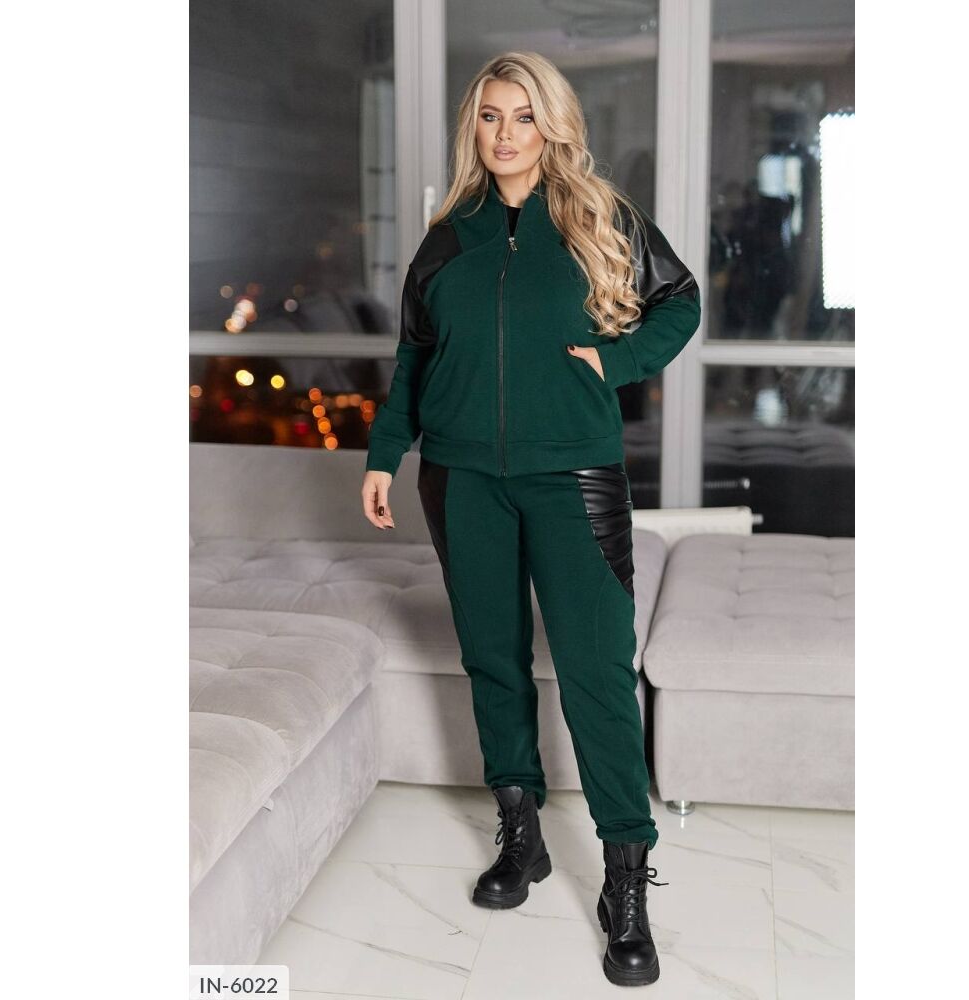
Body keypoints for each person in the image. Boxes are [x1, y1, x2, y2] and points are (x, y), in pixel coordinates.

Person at [359, 50, 700, 988]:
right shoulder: (448, 236)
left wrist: (614, 363)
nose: (504, 134)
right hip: (460, 475)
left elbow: (678, 302)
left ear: (550, 125)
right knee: (493, 659)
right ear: (472, 127)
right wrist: (386, 454)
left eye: (522, 116)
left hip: (572, 476)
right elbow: (413, 357)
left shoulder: (597, 215)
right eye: (489, 117)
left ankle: (624, 879)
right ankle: (521, 835)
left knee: (595, 671)